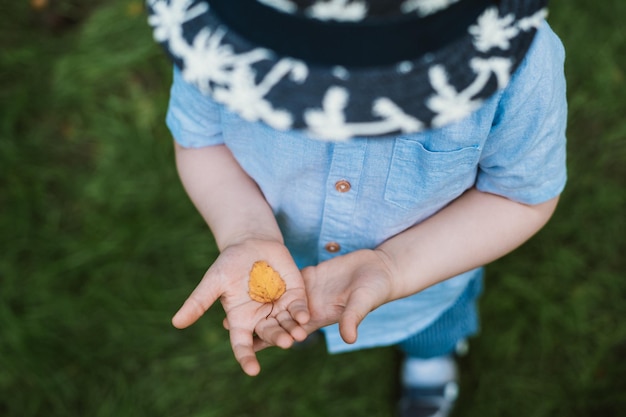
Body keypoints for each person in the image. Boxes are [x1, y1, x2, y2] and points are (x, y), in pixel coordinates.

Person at [146, 0, 567, 416]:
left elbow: (517, 195)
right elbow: (201, 140)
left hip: (429, 280)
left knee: (431, 332)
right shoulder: (223, 36)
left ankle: (430, 361)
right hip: (284, 252)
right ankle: (309, 330)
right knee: (294, 317)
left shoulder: (518, 62)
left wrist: (395, 269)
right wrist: (245, 232)